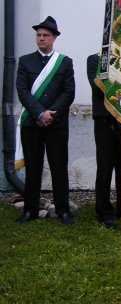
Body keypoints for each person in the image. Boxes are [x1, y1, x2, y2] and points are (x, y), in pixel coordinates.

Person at [15, 16, 75, 224]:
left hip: (56, 124)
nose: (41, 39)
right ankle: (30, 209)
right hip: (32, 123)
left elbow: (69, 93)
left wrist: (51, 114)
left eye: (45, 35)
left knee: (59, 167)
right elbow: (22, 91)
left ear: (54, 38)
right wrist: (39, 113)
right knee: (33, 167)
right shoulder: (25, 61)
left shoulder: (65, 63)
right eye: (38, 35)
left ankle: (63, 209)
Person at [87, 53, 121, 229]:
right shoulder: (95, 59)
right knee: (105, 167)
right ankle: (104, 211)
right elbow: (97, 86)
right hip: (104, 119)